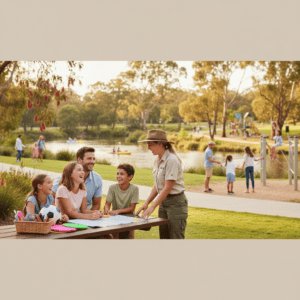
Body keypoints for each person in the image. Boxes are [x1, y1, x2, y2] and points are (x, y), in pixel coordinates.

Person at [136, 129, 188, 239]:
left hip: (176, 204)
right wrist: (146, 203)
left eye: (150, 144)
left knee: (175, 238)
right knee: (164, 237)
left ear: (160, 143)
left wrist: (152, 207)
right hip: (163, 203)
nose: (148, 147)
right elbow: (157, 185)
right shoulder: (157, 160)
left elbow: (167, 187)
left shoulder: (172, 160)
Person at [52, 147, 103, 211]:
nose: (92, 161)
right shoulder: (62, 179)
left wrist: (88, 217)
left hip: (86, 215)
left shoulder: (97, 179)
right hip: (66, 215)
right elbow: (53, 201)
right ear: (79, 160)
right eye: (89, 158)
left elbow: (96, 205)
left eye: (94, 159)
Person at [104, 164, 139, 239]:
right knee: (114, 237)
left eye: (122, 174)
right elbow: (107, 204)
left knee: (128, 238)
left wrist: (117, 211)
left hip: (129, 218)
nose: (118, 176)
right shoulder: (112, 188)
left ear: (130, 177)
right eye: (117, 173)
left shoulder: (134, 189)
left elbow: (132, 208)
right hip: (114, 218)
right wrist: (107, 210)